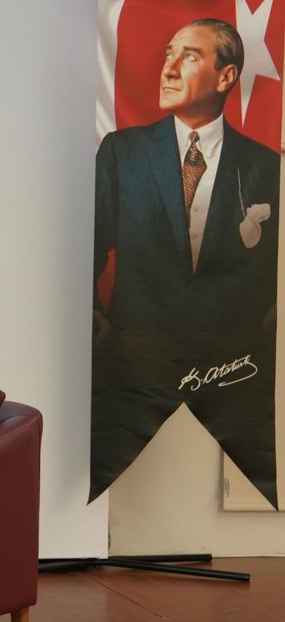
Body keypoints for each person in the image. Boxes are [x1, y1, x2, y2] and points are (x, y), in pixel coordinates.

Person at [92, 18, 278, 506]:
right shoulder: (122, 153)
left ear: (226, 76)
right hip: (130, 378)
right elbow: (89, 246)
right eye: (168, 54)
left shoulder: (266, 166)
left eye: (189, 56)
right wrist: (93, 317)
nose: (168, 68)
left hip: (234, 380)